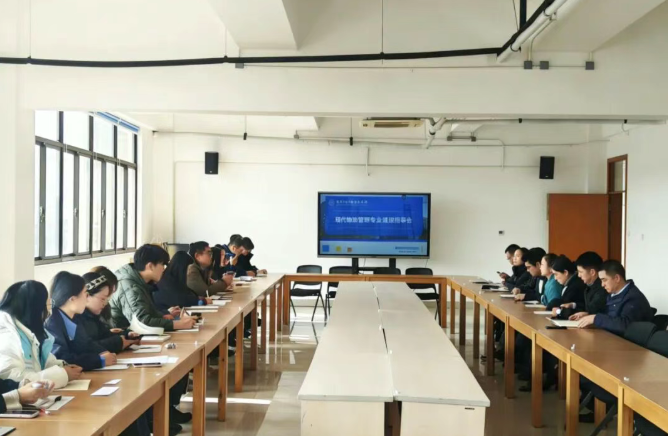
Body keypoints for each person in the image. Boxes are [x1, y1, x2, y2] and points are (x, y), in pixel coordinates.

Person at [0, 281, 81, 388]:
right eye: (47, 306)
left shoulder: (28, 332)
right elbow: (13, 381)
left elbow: (43, 362)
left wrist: (62, 366)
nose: (48, 313)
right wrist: (62, 375)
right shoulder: (7, 336)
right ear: (35, 309)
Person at [109, 244, 196, 331]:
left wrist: (162, 315)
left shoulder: (141, 282)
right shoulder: (130, 287)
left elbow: (146, 313)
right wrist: (177, 324)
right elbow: (141, 323)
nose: (163, 269)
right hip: (126, 335)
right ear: (150, 266)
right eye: (162, 265)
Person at [45, 272, 118, 371]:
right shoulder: (52, 323)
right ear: (72, 299)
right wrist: (99, 360)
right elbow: (62, 358)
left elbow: (86, 344)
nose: (87, 299)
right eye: (85, 294)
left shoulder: (73, 318)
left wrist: (104, 353)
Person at [576, 260, 653, 334]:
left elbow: (626, 325)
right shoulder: (613, 294)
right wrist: (589, 315)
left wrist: (596, 318)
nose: (602, 285)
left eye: (604, 280)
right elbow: (610, 316)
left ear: (617, 278)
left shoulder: (633, 298)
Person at [78, 272, 141, 354]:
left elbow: (105, 335)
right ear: (87, 296)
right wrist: (119, 342)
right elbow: (86, 348)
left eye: (107, 299)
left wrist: (126, 335)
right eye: (102, 299)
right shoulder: (76, 319)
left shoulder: (93, 317)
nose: (105, 303)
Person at [560, 252, 607, 320]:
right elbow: (586, 306)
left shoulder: (602, 289)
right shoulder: (589, 286)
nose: (579, 275)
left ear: (592, 272)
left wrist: (561, 312)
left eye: (581, 272)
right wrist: (573, 305)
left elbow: (591, 311)